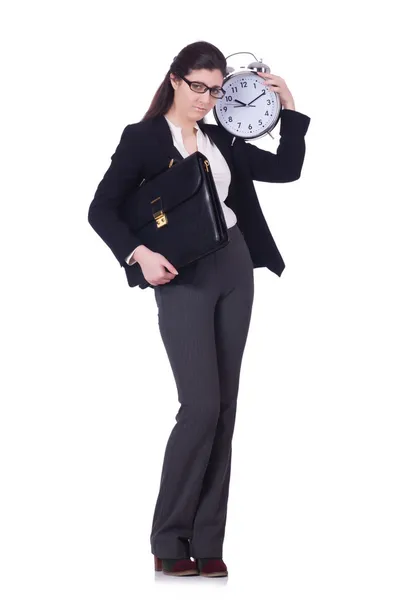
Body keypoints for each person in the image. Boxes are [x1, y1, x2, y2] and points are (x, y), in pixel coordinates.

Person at [88, 40, 311, 577]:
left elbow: (286, 169)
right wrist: (139, 254)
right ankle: (169, 538)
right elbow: (101, 208)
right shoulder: (143, 138)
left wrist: (290, 110)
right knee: (200, 406)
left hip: (235, 267)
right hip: (181, 275)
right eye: (198, 87)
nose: (207, 99)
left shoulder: (219, 137)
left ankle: (208, 540)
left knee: (226, 408)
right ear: (174, 80)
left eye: (215, 90)